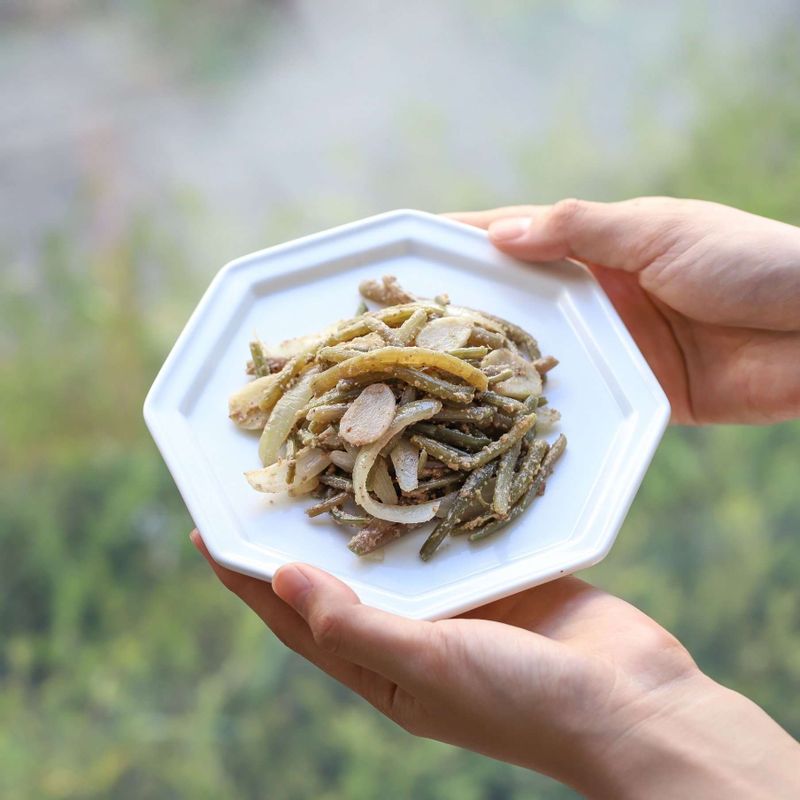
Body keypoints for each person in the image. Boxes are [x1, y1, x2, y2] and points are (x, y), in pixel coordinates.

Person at [191, 197, 800, 798]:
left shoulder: (494, 394)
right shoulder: (342, 401)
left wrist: (629, 721)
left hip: (481, 438)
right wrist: (631, 720)